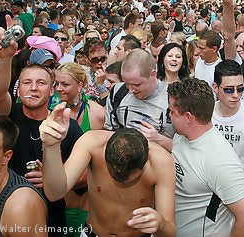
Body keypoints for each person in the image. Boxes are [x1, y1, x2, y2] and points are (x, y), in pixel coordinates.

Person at [0, 16, 84, 235]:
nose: (33, 88)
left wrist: (57, 177)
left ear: (51, 91)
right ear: (18, 90)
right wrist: (3, 58)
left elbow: (86, 173)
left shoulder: (64, 124)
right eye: (27, 83)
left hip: (52, 219)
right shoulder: (7, 118)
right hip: (6, 214)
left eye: (41, 83)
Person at [40, 118, 176, 237]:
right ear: (105, 155)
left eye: (128, 178)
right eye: (114, 174)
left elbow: (170, 232)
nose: (120, 181)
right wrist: (51, 146)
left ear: (145, 162)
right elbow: (54, 193)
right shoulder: (91, 143)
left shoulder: (162, 163)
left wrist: (160, 224)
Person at [168, 77, 244, 236]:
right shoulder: (181, 136)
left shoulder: (220, 160)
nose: (169, 115)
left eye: (172, 111)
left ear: (189, 117)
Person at [105, 49, 174, 151]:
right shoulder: (118, 92)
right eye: (126, 84)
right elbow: (109, 132)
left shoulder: (174, 98)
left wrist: (159, 139)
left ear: (153, 74)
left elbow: (188, 149)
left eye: (137, 84)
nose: (131, 90)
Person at [53, 62, 105, 132]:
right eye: (56, 83)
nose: (58, 88)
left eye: (65, 84)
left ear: (80, 86)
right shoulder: (55, 110)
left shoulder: (97, 114)